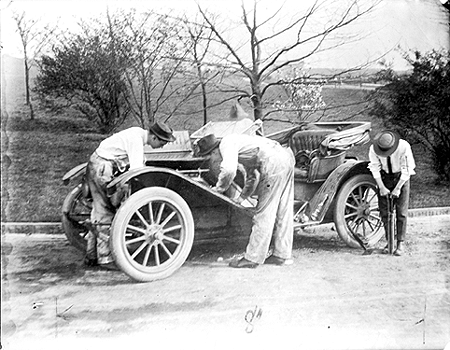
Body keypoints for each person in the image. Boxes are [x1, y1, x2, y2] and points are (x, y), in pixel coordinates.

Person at [85, 121, 176, 268]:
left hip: (97, 163)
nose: (162, 146)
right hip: (103, 168)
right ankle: (106, 259)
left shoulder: (136, 133)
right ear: (154, 138)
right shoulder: (136, 140)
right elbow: (137, 170)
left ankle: (91, 255)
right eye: (163, 143)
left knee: (98, 209)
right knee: (106, 211)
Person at [196, 133, 295, 268]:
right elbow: (252, 175)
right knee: (284, 209)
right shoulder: (240, 144)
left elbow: (229, 170)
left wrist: (218, 189)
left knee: (264, 212)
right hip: (285, 157)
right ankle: (281, 254)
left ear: (214, 151)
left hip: (273, 162)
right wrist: (241, 198)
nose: (213, 160)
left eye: (210, 157)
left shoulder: (226, 143)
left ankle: (253, 258)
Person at [368, 130, 416, 256]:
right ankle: (390, 241)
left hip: (401, 177)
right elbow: (374, 168)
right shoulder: (373, 149)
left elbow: (407, 169)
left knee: (401, 212)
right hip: (384, 178)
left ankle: (400, 242)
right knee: (385, 212)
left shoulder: (404, 147)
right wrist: (382, 187)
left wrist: (398, 188)